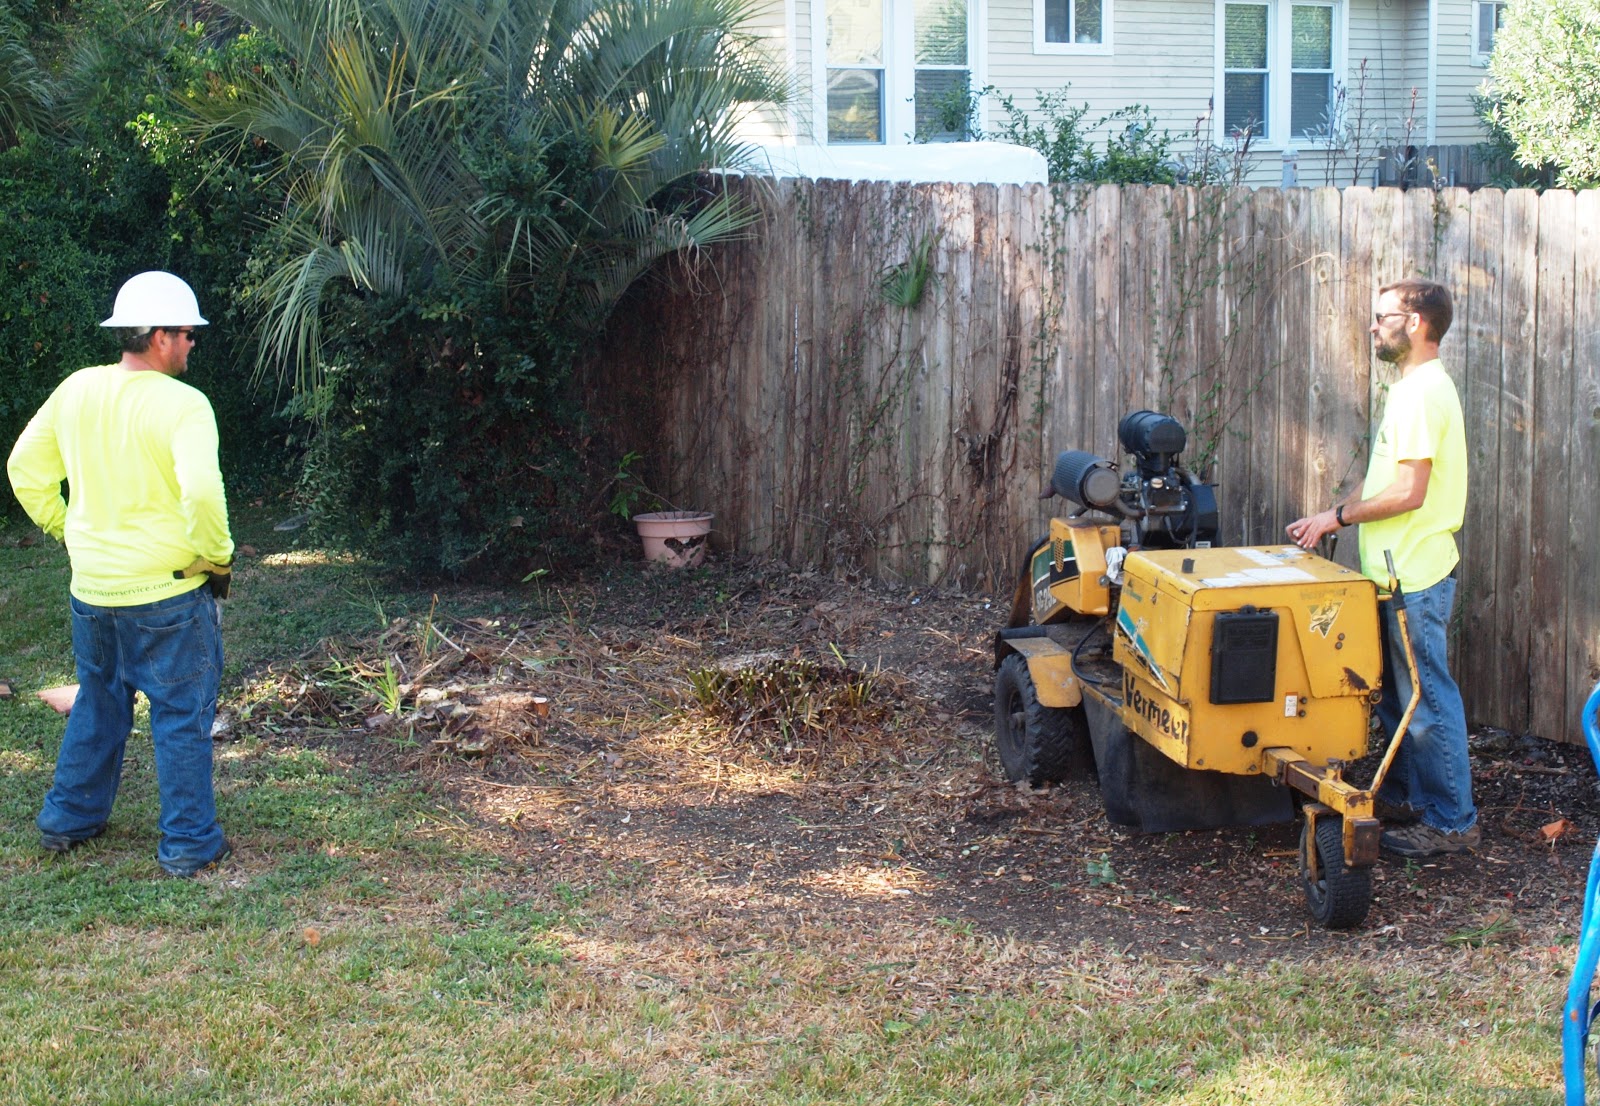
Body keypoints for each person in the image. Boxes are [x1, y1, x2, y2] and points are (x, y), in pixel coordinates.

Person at [7, 271, 235, 877]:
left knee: (100, 705)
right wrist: (217, 558)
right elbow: (205, 495)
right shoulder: (185, 405)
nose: (191, 344)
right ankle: (188, 843)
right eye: (187, 334)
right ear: (159, 336)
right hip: (169, 595)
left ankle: (67, 821)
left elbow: (23, 467)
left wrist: (66, 528)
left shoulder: (77, 389)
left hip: (93, 591)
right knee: (181, 714)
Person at [1286, 277, 1477, 859]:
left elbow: (1409, 492)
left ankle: (1451, 823)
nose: (1373, 326)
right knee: (1400, 701)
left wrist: (1338, 516)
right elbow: (1389, 484)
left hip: (1415, 575)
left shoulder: (1421, 393)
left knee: (1428, 703)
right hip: (1398, 575)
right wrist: (1335, 516)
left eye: (1382, 317)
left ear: (1415, 323)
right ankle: (1404, 800)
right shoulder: (1414, 388)